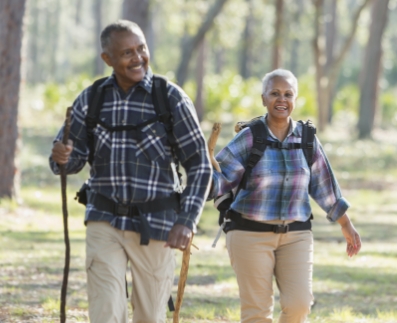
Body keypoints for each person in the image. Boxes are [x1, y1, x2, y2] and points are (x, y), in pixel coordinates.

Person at [49, 20, 212, 323]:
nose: (137, 58)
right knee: (105, 311)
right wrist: (61, 156)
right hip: (104, 220)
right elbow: (70, 161)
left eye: (141, 49)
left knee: (150, 315)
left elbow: (200, 165)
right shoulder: (91, 98)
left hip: (156, 225)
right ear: (107, 59)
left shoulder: (170, 98)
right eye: (126, 52)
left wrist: (187, 221)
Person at [208, 69, 361, 323]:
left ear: (295, 99)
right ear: (263, 99)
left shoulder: (307, 139)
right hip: (249, 233)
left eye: (288, 94)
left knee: (299, 306)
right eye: (275, 93)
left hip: (296, 235)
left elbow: (324, 185)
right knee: (257, 312)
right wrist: (197, 181)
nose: (282, 99)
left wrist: (346, 224)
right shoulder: (249, 137)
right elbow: (220, 179)